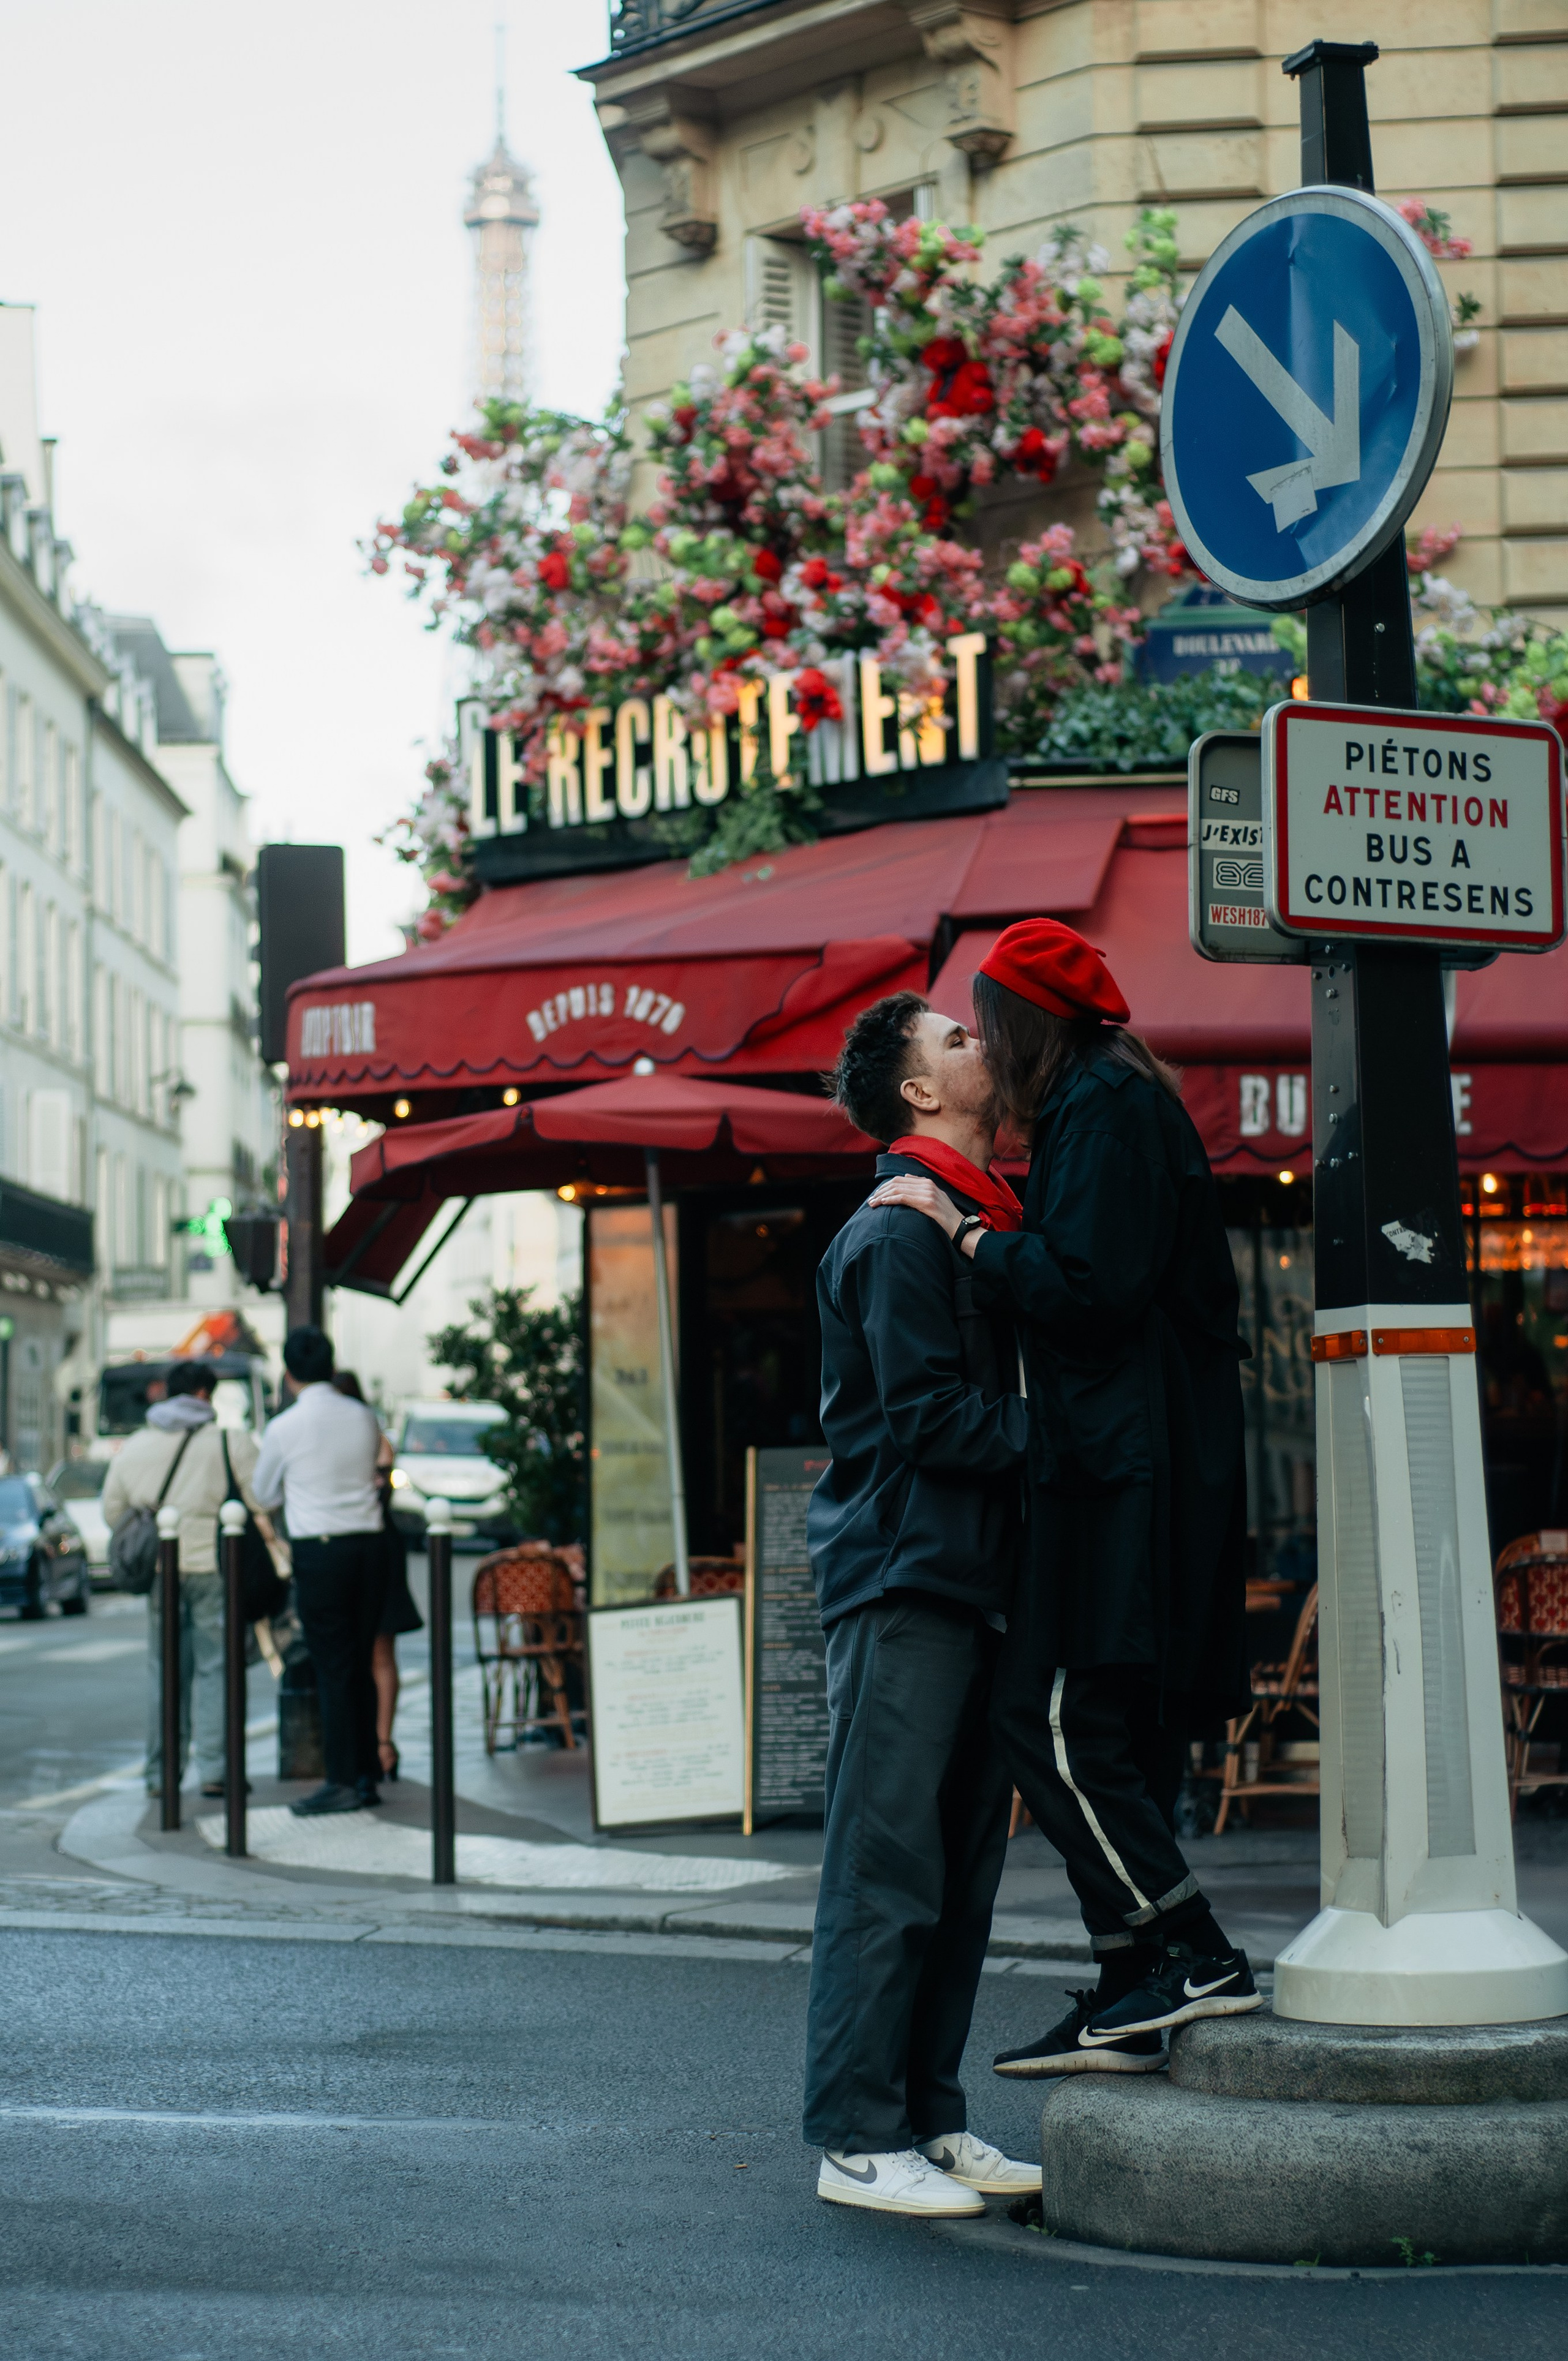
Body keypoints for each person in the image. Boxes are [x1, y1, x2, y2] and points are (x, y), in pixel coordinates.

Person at [869, 919, 1259, 2077]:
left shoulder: (1105, 1111)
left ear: (1025, 1023)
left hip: (1126, 1471)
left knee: (1049, 1714)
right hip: (1129, 1463)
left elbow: (1089, 1292)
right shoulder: (1110, 1103)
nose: (980, 1040)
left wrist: (971, 1236)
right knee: (1102, 1723)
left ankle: (1191, 1951)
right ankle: (1136, 1973)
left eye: (984, 1019)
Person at [804, 991, 1039, 2218]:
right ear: (917, 1094)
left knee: (955, 1873)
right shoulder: (898, 1232)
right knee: (885, 1867)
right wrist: (1061, 1433)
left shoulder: (964, 1218)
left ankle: (929, 2119)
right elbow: (925, 1421)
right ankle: (854, 2131)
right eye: (954, 1039)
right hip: (903, 1578)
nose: (978, 1044)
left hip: (959, 1578)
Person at [103, 1358, 263, 1801]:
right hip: (214, 1566)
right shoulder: (230, 1442)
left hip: (161, 1572)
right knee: (216, 1668)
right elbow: (264, 1497)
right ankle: (215, 1768)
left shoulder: (136, 1446)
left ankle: (162, 1773)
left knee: (166, 1672)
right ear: (204, 1396)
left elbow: (112, 1511)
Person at [252, 1326, 386, 1817]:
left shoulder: (284, 1428)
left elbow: (264, 1494)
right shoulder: (363, 1416)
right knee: (362, 1659)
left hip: (321, 1551)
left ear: (288, 1375)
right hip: (370, 1549)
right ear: (331, 1367)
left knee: (333, 1665)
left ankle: (342, 1779)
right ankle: (368, 1771)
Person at [333, 1369, 422, 1780]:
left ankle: (380, 1742)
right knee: (370, 1653)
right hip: (371, 1546)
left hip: (371, 1548)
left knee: (376, 1651)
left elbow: (384, 1477)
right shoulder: (364, 1434)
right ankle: (376, 1742)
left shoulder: (367, 1436)